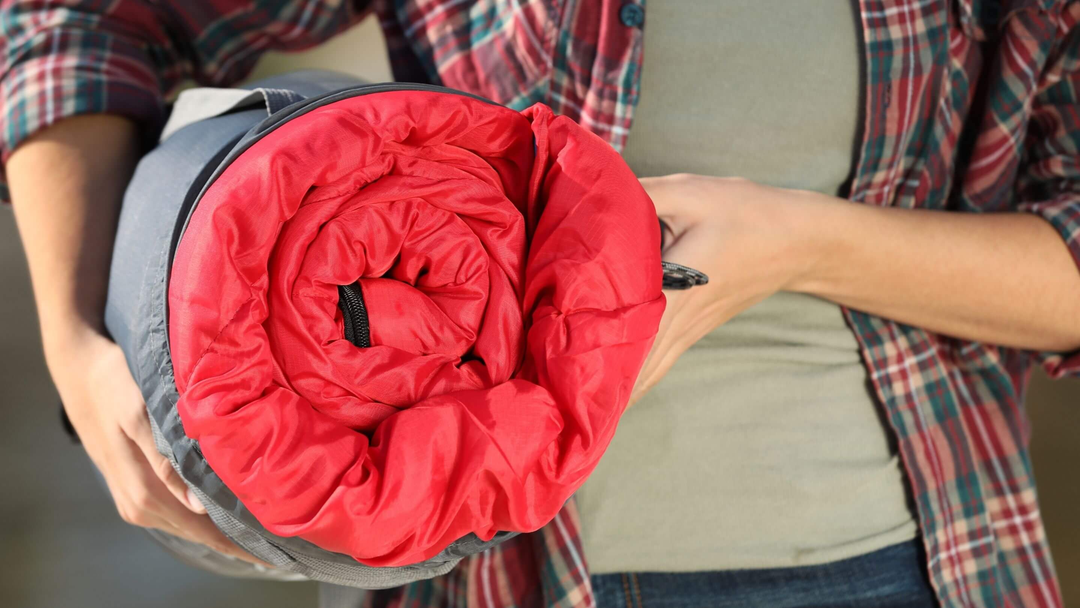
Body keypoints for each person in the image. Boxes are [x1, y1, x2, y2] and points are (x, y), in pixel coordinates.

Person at [3, 0, 1080, 607]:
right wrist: (75, 347)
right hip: (483, 576)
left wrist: (801, 244)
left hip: (893, 564)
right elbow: (81, 19)